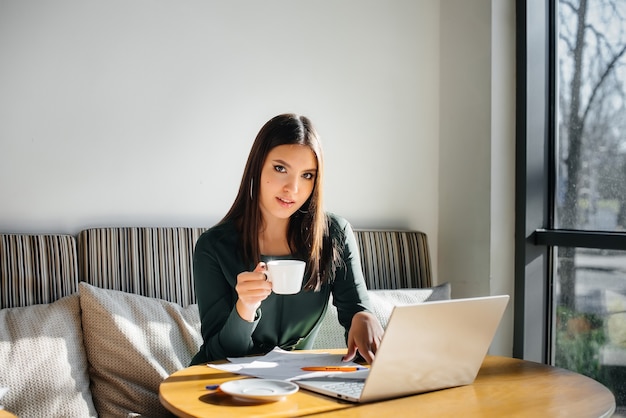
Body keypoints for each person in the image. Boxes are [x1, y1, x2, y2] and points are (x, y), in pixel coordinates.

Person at [190, 113, 384, 365]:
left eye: (307, 175)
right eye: (280, 169)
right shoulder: (213, 247)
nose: (292, 188)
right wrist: (245, 308)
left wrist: (364, 318)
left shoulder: (334, 234)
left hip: (296, 388)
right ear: (257, 167)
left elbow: (356, 309)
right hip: (220, 386)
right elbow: (218, 356)